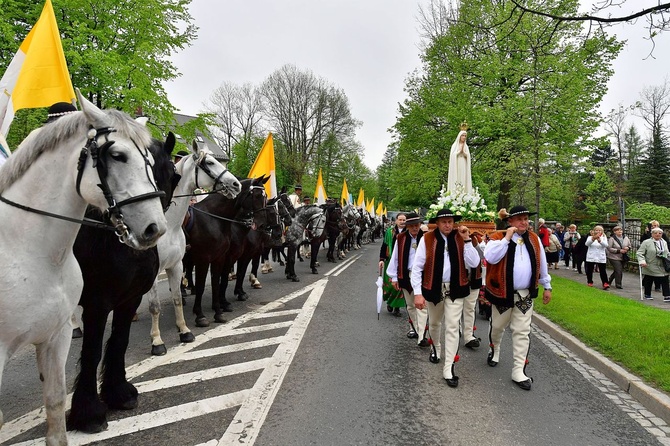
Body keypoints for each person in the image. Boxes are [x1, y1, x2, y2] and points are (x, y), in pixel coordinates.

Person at [484, 206, 552, 391]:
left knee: (522, 331)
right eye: (520, 219)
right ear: (510, 222)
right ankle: (495, 347)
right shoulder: (497, 238)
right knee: (497, 327)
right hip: (502, 294)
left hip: (524, 294)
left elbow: (542, 264)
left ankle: (518, 370)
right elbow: (490, 257)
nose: (524, 222)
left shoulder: (534, 239)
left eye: (526, 219)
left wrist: (547, 286)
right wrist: (507, 239)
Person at [411, 208, 481, 388]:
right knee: (434, 323)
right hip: (433, 289)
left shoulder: (461, 237)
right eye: (444, 222)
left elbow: (474, 263)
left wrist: (466, 241)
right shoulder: (427, 239)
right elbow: (418, 267)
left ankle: (449, 367)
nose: (448, 225)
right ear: (438, 223)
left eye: (450, 221)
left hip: (456, 289)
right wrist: (418, 293)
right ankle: (436, 348)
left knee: (452, 326)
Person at [386, 212, 428, 345]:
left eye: (417, 225)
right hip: (406, 273)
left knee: (422, 305)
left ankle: (422, 335)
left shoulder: (426, 238)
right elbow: (395, 257)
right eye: (412, 226)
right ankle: (414, 328)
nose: (415, 228)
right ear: (408, 226)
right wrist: (393, 277)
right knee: (410, 305)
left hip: (423, 275)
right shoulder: (401, 238)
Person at [379, 213, 406, 316]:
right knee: (390, 285)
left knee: (399, 285)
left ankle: (397, 307)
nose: (402, 222)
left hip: (403, 262)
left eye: (404, 220)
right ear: (396, 221)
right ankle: (390, 302)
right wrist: (381, 259)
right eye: (400, 220)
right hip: (390, 260)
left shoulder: (408, 232)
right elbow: (384, 245)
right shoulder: (390, 232)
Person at [637, 227, 670, 302]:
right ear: (652, 234)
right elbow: (639, 253)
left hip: (662, 264)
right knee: (649, 278)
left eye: (660, 233)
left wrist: (665, 255)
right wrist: (642, 261)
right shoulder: (647, 242)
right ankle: (647, 294)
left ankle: (667, 295)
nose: (658, 234)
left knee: (665, 278)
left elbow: (667, 252)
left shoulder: (664, 242)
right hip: (650, 263)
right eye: (655, 233)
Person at [446, 125, 472, 194]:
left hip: (463, 163)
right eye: (462, 135)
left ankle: (463, 193)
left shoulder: (466, 146)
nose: (464, 137)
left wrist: (465, 154)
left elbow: (468, 156)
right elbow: (452, 155)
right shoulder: (455, 145)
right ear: (459, 136)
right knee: (457, 178)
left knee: (463, 178)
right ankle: (455, 193)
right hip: (456, 163)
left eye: (465, 136)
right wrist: (458, 152)